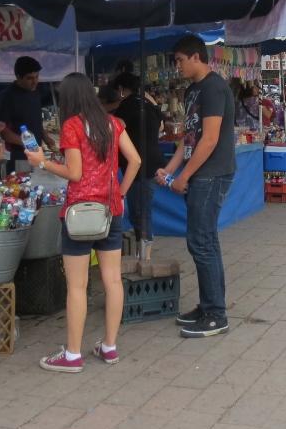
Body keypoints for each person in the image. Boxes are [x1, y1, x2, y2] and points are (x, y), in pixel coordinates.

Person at [30, 74, 141, 372]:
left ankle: (73, 355)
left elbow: (75, 173)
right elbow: (136, 160)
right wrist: (121, 192)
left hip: (79, 215)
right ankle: (109, 347)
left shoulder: (72, 126)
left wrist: (42, 162)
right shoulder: (113, 123)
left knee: (77, 286)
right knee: (113, 280)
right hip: (111, 211)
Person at [156, 35, 236, 338]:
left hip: (212, 174)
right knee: (203, 241)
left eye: (179, 60)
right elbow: (188, 139)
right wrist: (171, 169)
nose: (177, 66)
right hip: (199, 173)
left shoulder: (214, 88)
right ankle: (208, 306)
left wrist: (184, 176)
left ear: (196, 57)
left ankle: (216, 314)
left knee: (201, 241)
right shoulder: (192, 91)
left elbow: (210, 139)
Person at [112, 72, 164, 255]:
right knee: (142, 211)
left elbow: (116, 129)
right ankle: (143, 252)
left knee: (140, 213)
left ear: (121, 89)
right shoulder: (147, 103)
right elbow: (161, 126)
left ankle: (145, 256)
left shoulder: (126, 106)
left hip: (138, 166)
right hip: (153, 162)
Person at [0, 55, 58, 173]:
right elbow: (2, 131)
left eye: (37, 77)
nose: (35, 82)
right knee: (22, 183)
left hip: (37, 153)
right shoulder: (6, 97)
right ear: (18, 77)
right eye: (30, 78)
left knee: (37, 183)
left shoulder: (35, 92)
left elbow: (35, 121)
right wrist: (27, 143)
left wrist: (46, 137)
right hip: (18, 157)